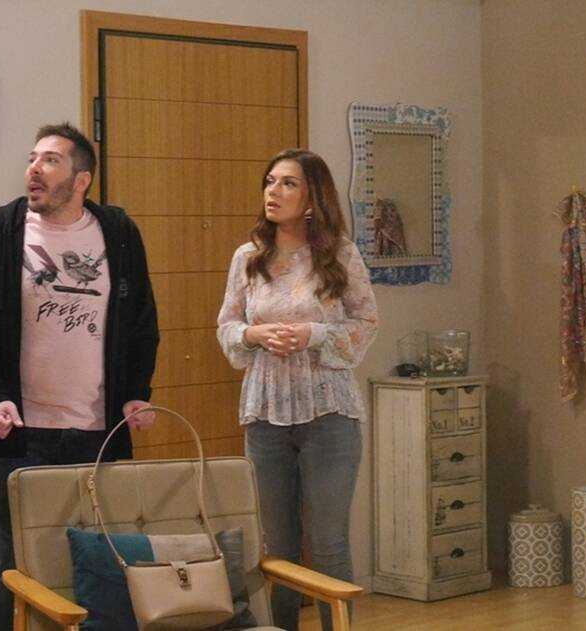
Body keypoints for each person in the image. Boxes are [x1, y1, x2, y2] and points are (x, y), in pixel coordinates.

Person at [0, 122, 159, 631]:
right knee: (3, 562)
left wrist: (135, 393)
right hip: (18, 431)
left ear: (81, 179)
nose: (35, 169)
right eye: (32, 158)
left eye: (50, 160)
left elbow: (141, 323)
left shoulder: (118, 232)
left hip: (97, 431)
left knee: (100, 558)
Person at [216, 148, 377, 631]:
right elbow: (227, 325)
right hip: (265, 415)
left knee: (328, 542)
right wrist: (254, 334)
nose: (273, 191)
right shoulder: (248, 257)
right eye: (270, 181)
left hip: (329, 414)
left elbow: (366, 322)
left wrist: (314, 334)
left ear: (312, 199)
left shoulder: (340, 254)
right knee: (277, 546)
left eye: (287, 183)